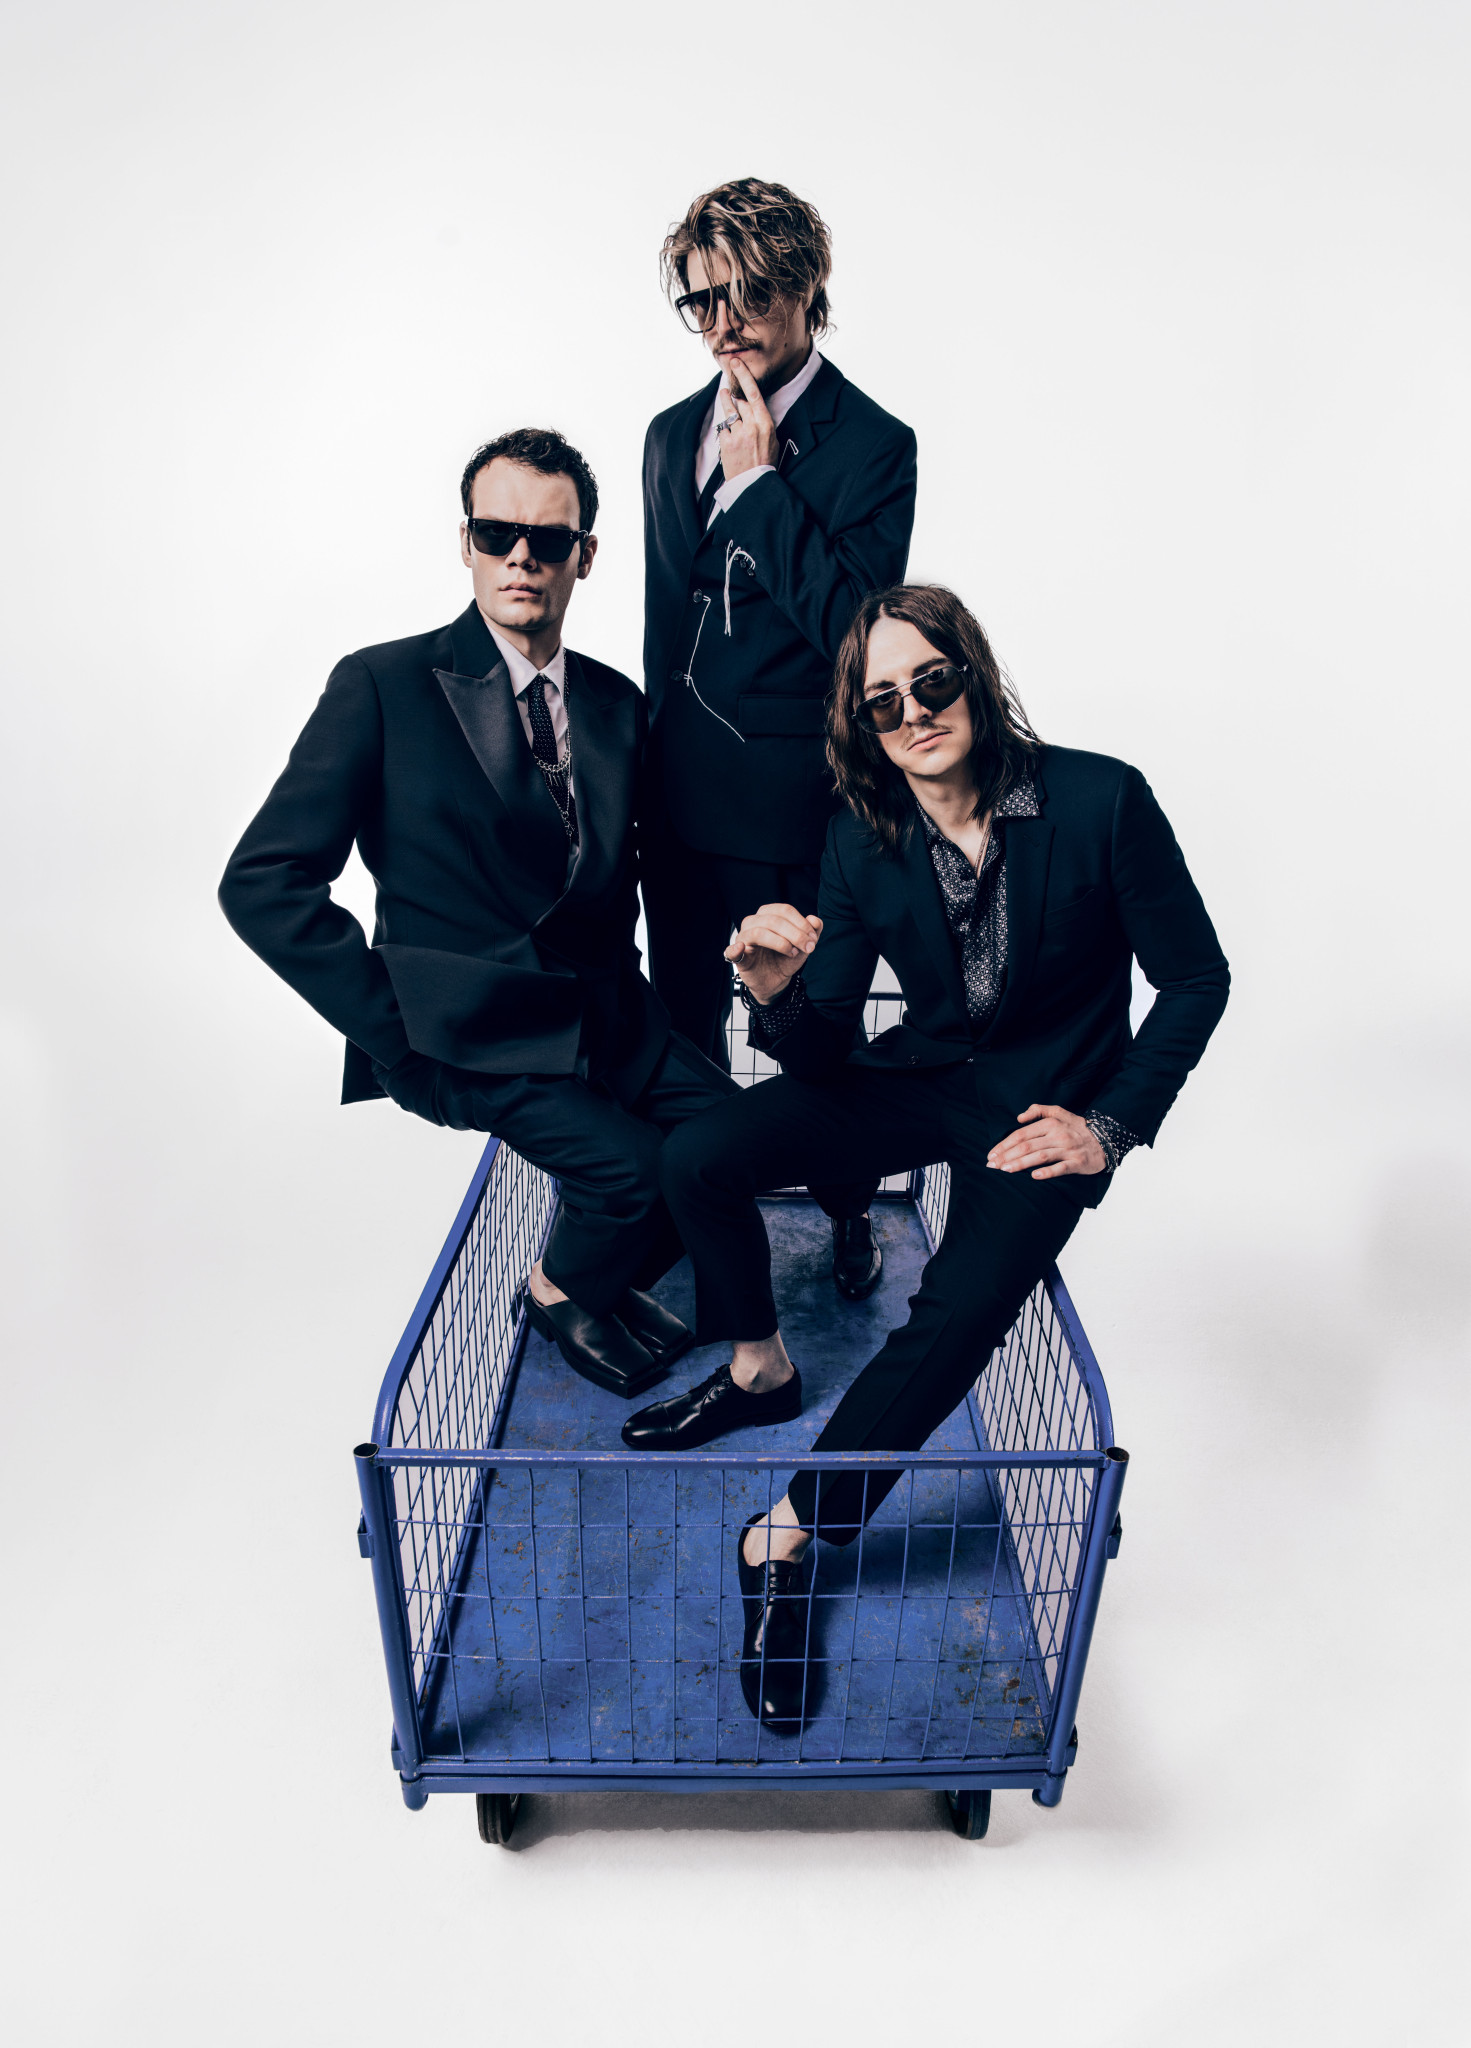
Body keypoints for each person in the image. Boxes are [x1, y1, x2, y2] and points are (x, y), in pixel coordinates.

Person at [622, 583, 1230, 1728]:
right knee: (699, 1152)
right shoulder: (862, 835)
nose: (913, 712)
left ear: (974, 676)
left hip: (1039, 1109)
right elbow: (821, 1046)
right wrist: (775, 993)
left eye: (931, 680)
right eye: (882, 700)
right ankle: (758, 1367)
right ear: (862, 725)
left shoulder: (1100, 798)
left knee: (959, 1312)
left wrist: (1105, 1126)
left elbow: (1196, 977)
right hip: (925, 1073)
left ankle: (786, 1533)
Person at [218, 428, 739, 1398]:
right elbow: (262, 881)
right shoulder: (381, 685)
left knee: (731, 1146)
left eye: (549, 539)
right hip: (464, 1030)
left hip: (607, 1016)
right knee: (630, 1176)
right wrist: (394, 1024)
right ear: (466, 543)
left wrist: (680, 1016)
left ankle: (589, 1283)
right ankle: (556, 1292)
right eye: (497, 533)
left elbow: (640, 879)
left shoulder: (617, 704)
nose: (520, 558)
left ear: (585, 555)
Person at [641, 176, 919, 1302]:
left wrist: (760, 488)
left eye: (747, 295)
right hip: (677, 804)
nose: (722, 325)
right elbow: (664, 626)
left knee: (809, 1036)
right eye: (699, 301)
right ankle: (701, 1232)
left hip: (795, 806)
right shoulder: (668, 434)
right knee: (681, 1026)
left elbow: (862, 634)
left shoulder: (876, 445)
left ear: (807, 286)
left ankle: (848, 1211)